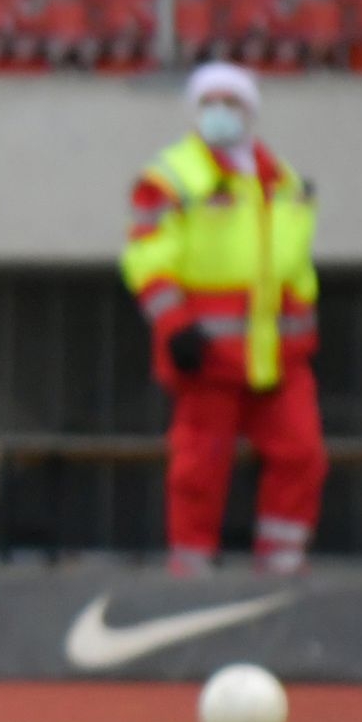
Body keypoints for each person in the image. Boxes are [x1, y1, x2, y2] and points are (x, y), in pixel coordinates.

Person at [121, 62, 324, 575]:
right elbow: (147, 259)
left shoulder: (282, 179)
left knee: (302, 455)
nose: (219, 113)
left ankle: (281, 559)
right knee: (200, 465)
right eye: (208, 103)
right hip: (207, 350)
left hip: (279, 353)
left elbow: (295, 268)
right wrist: (175, 325)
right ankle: (192, 564)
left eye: (230, 103)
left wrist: (304, 327)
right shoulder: (170, 177)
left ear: (249, 111)